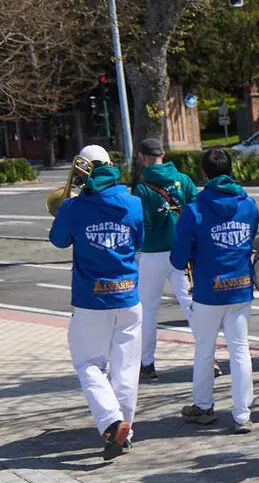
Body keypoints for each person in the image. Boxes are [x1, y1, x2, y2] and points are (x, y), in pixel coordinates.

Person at [48, 144, 144, 460]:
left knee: (87, 363)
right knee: (126, 369)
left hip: (92, 300)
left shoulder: (75, 208)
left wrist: (66, 208)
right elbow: (139, 240)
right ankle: (124, 435)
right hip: (129, 295)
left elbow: (58, 240)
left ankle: (112, 421)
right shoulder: (133, 202)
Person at [172, 149, 259, 433]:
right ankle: (242, 413)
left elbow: (176, 259)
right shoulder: (249, 205)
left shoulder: (194, 209)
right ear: (231, 171)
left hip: (208, 290)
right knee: (240, 350)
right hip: (241, 287)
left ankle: (204, 405)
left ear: (205, 174)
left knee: (205, 350)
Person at [132, 137, 197, 380]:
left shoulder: (142, 188)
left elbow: (143, 225)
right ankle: (207, 358)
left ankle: (147, 363)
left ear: (142, 157)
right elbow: (196, 213)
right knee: (191, 305)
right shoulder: (183, 180)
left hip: (153, 254)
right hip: (184, 253)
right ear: (164, 155)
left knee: (148, 309)